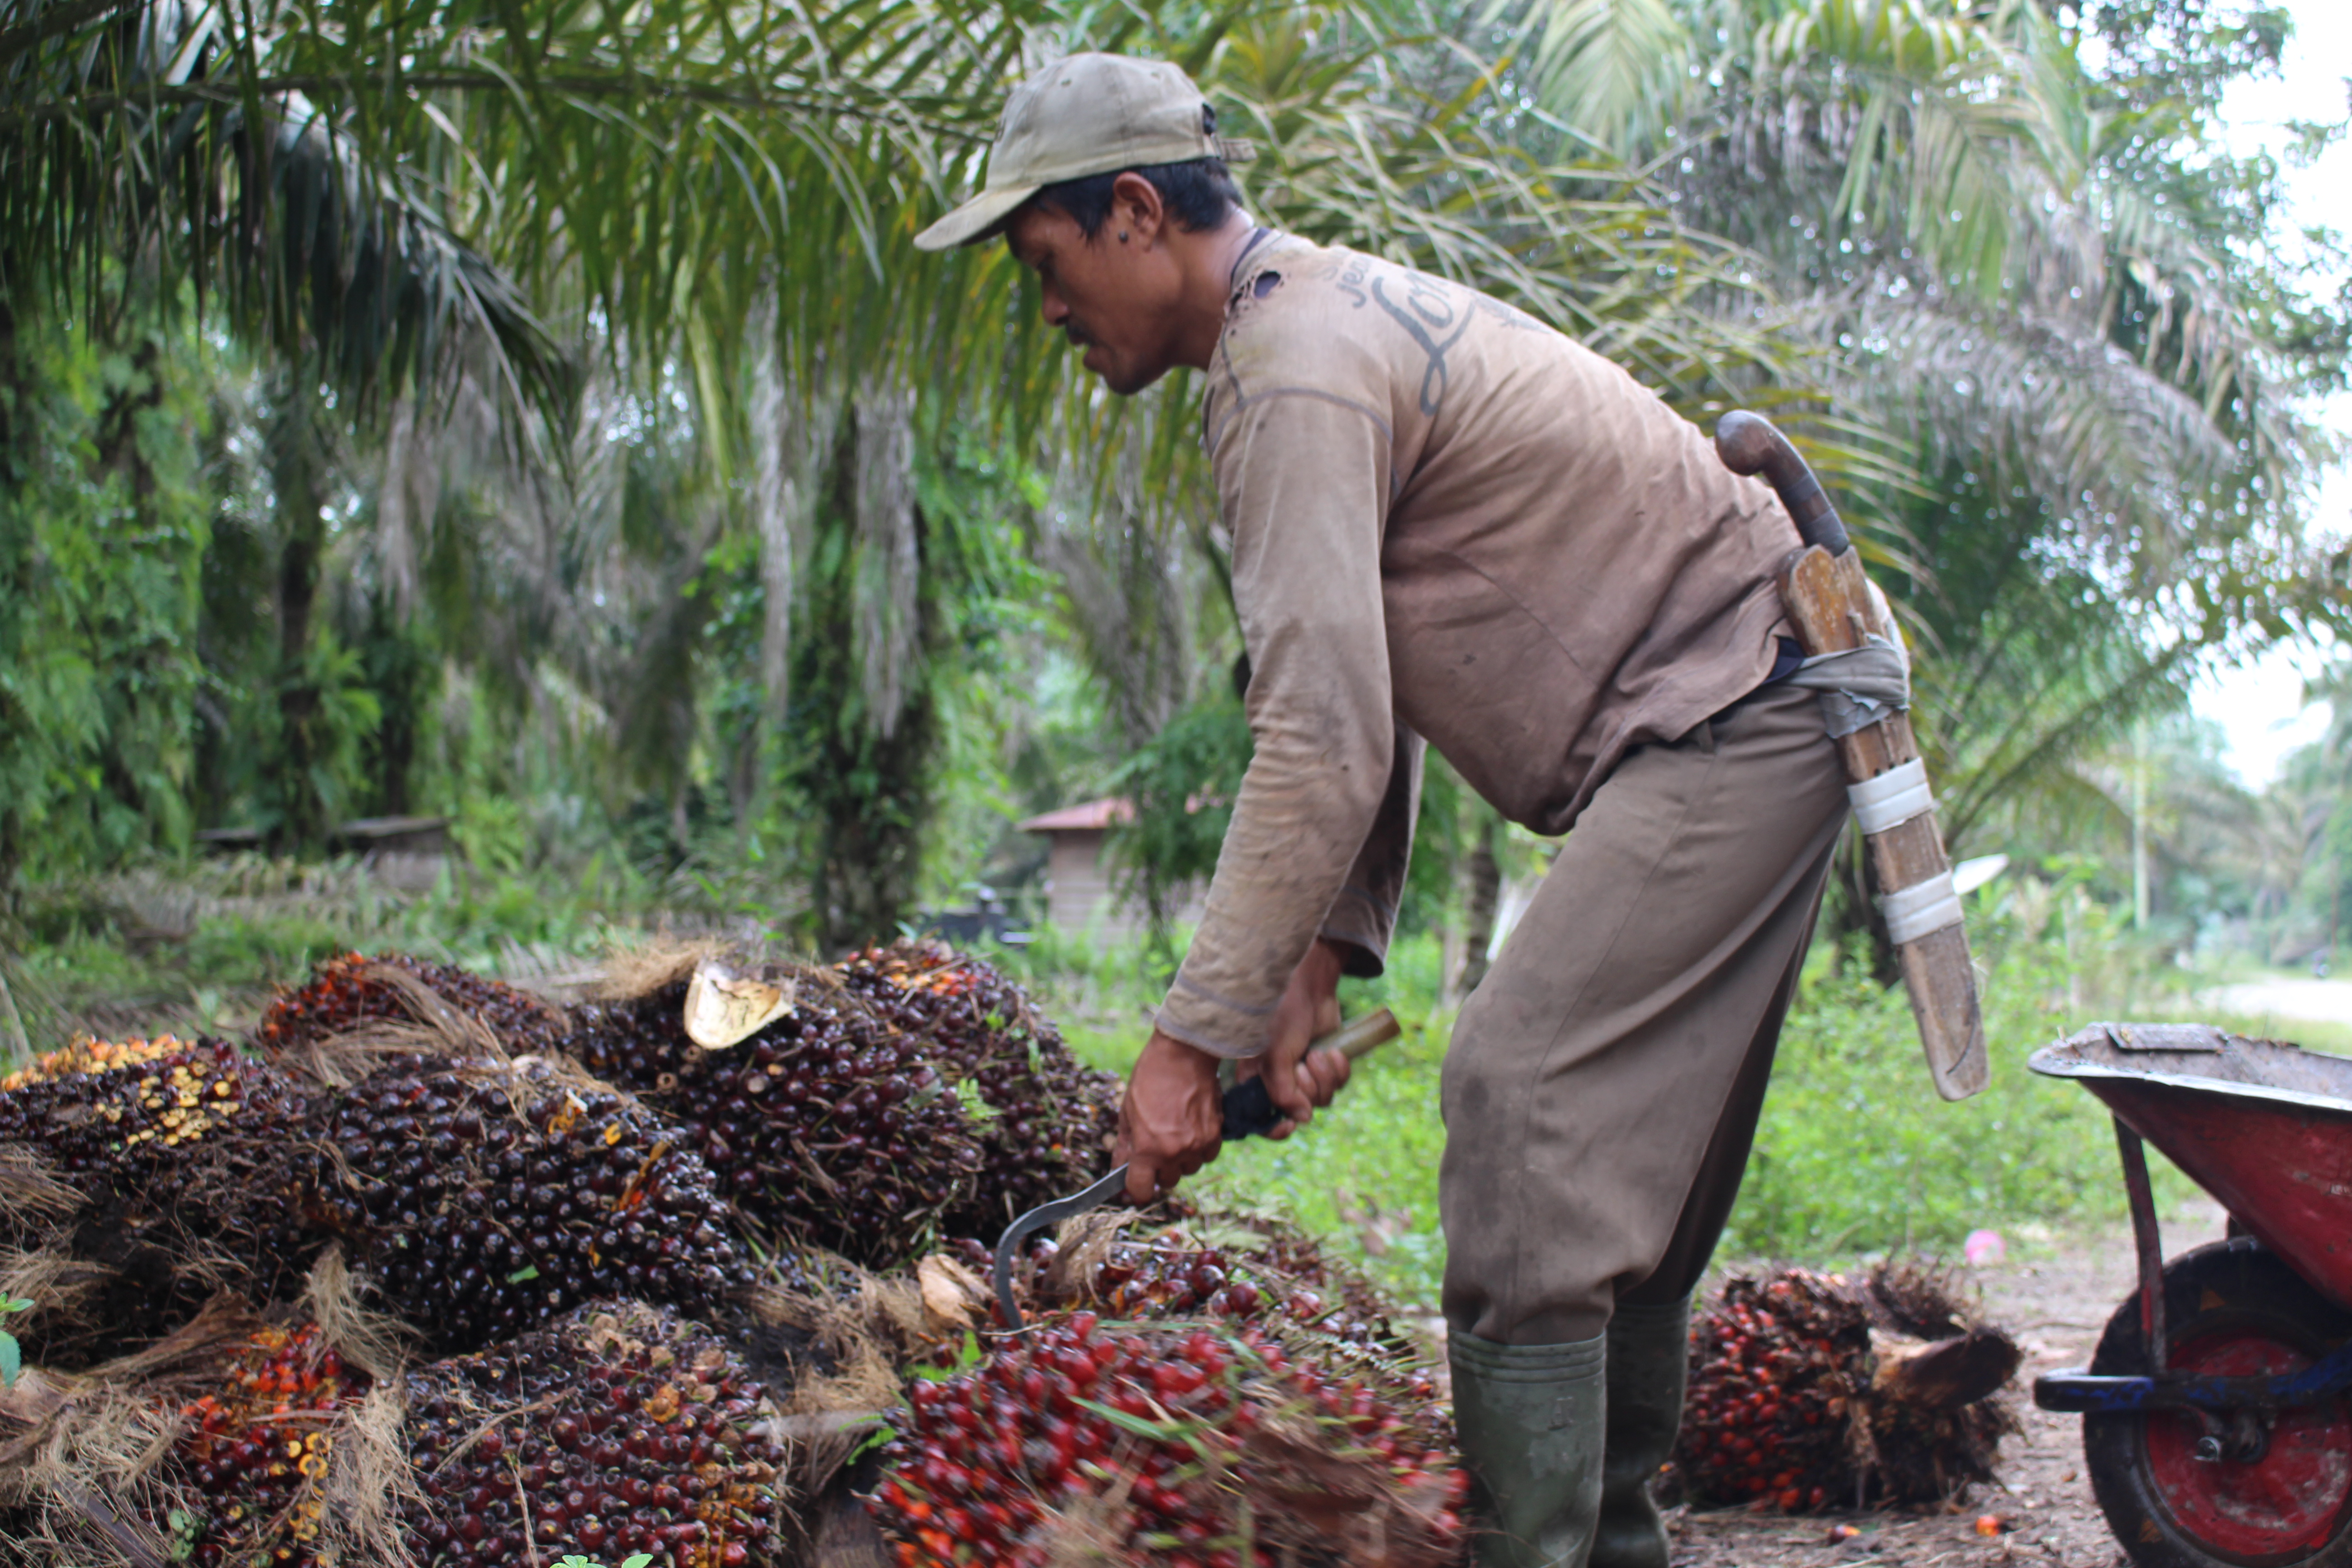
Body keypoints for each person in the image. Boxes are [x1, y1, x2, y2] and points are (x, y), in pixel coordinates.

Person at [915, 53, 1850, 1568]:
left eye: (1045, 261)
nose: (1050, 309)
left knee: (1526, 1099)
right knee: (1620, 1166)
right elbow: (1376, 686)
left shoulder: (1285, 370)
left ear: (1135, 212)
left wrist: (1185, 1047)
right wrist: (1317, 961)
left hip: (1739, 703)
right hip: (1762, 696)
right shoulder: (1309, 321)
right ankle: (1603, 1542)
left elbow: (1320, 741)